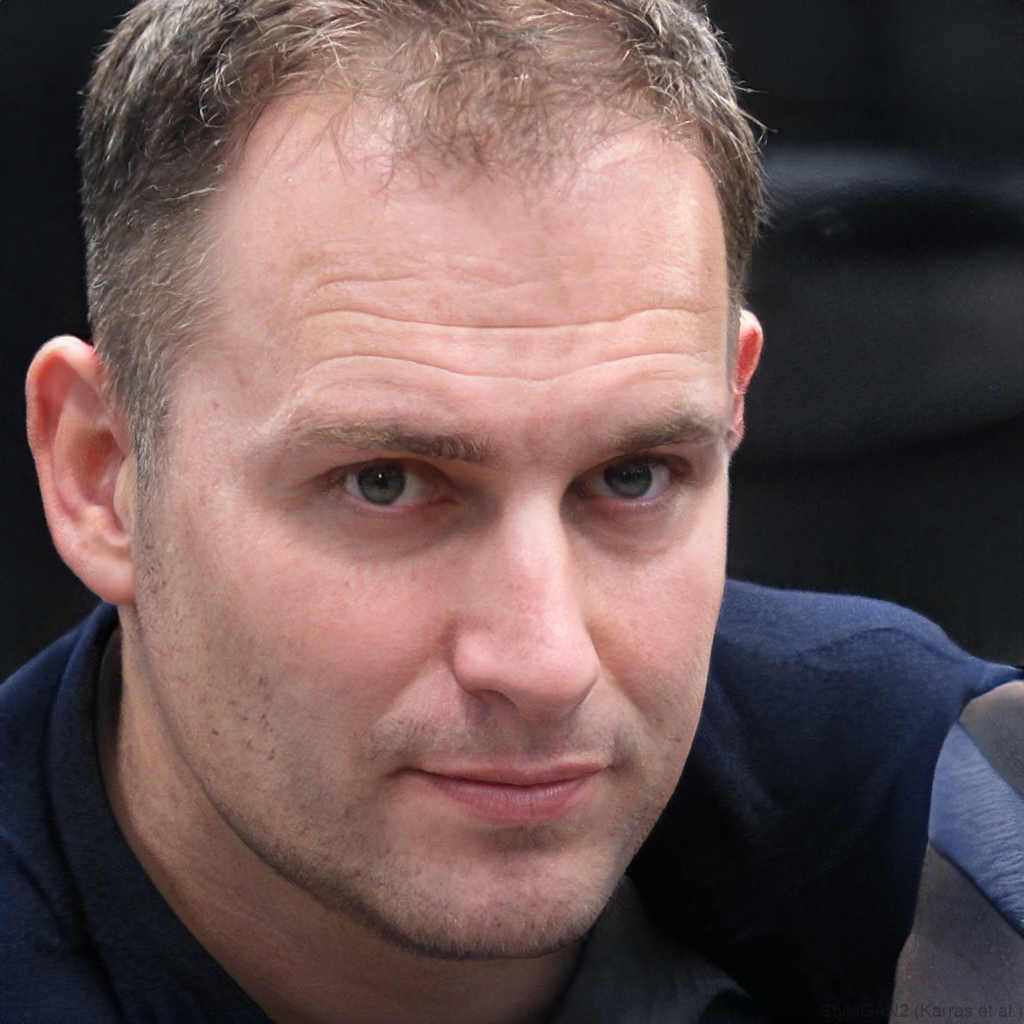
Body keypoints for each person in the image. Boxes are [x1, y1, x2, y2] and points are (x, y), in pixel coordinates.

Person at [1, 2, 1019, 1021]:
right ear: (102, 475)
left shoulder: (937, 804)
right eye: (386, 482)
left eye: (633, 475)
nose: (545, 665)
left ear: (731, 410)